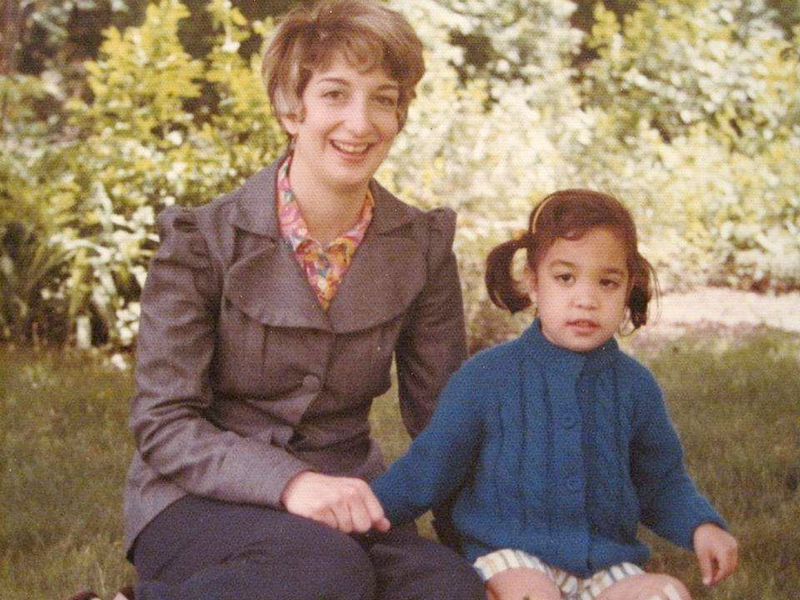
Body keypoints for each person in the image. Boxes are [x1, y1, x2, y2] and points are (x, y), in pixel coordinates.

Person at [67, 2, 485, 599]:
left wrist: (491, 550)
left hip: (349, 501)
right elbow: (163, 424)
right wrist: (293, 485)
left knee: (448, 589)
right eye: (335, 95)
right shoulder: (203, 240)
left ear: (401, 114)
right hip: (199, 499)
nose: (360, 123)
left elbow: (445, 425)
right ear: (293, 108)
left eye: (383, 98)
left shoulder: (422, 247)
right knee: (324, 573)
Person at [371, 190, 739, 600]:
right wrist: (367, 513)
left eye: (607, 282)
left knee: (667, 593)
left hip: (605, 563)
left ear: (627, 288)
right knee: (535, 594)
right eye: (565, 277)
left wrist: (701, 526)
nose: (586, 298)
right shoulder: (487, 378)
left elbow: (661, 481)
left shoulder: (635, 387)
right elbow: (430, 467)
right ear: (532, 281)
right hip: (510, 557)